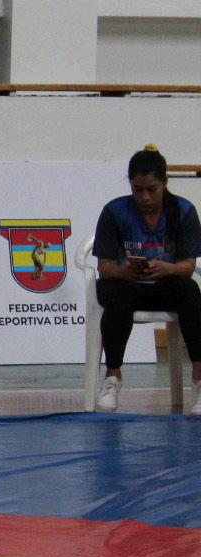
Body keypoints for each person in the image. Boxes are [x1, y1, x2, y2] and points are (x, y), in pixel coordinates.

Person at [92, 145, 201, 414]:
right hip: (126, 284)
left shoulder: (184, 212)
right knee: (118, 294)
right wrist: (124, 271)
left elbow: (188, 266)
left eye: (152, 189)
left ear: (165, 183)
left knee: (190, 291)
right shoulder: (114, 212)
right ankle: (112, 377)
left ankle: (199, 380)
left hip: (165, 284)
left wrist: (168, 268)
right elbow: (104, 267)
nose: (145, 197)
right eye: (137, 189)